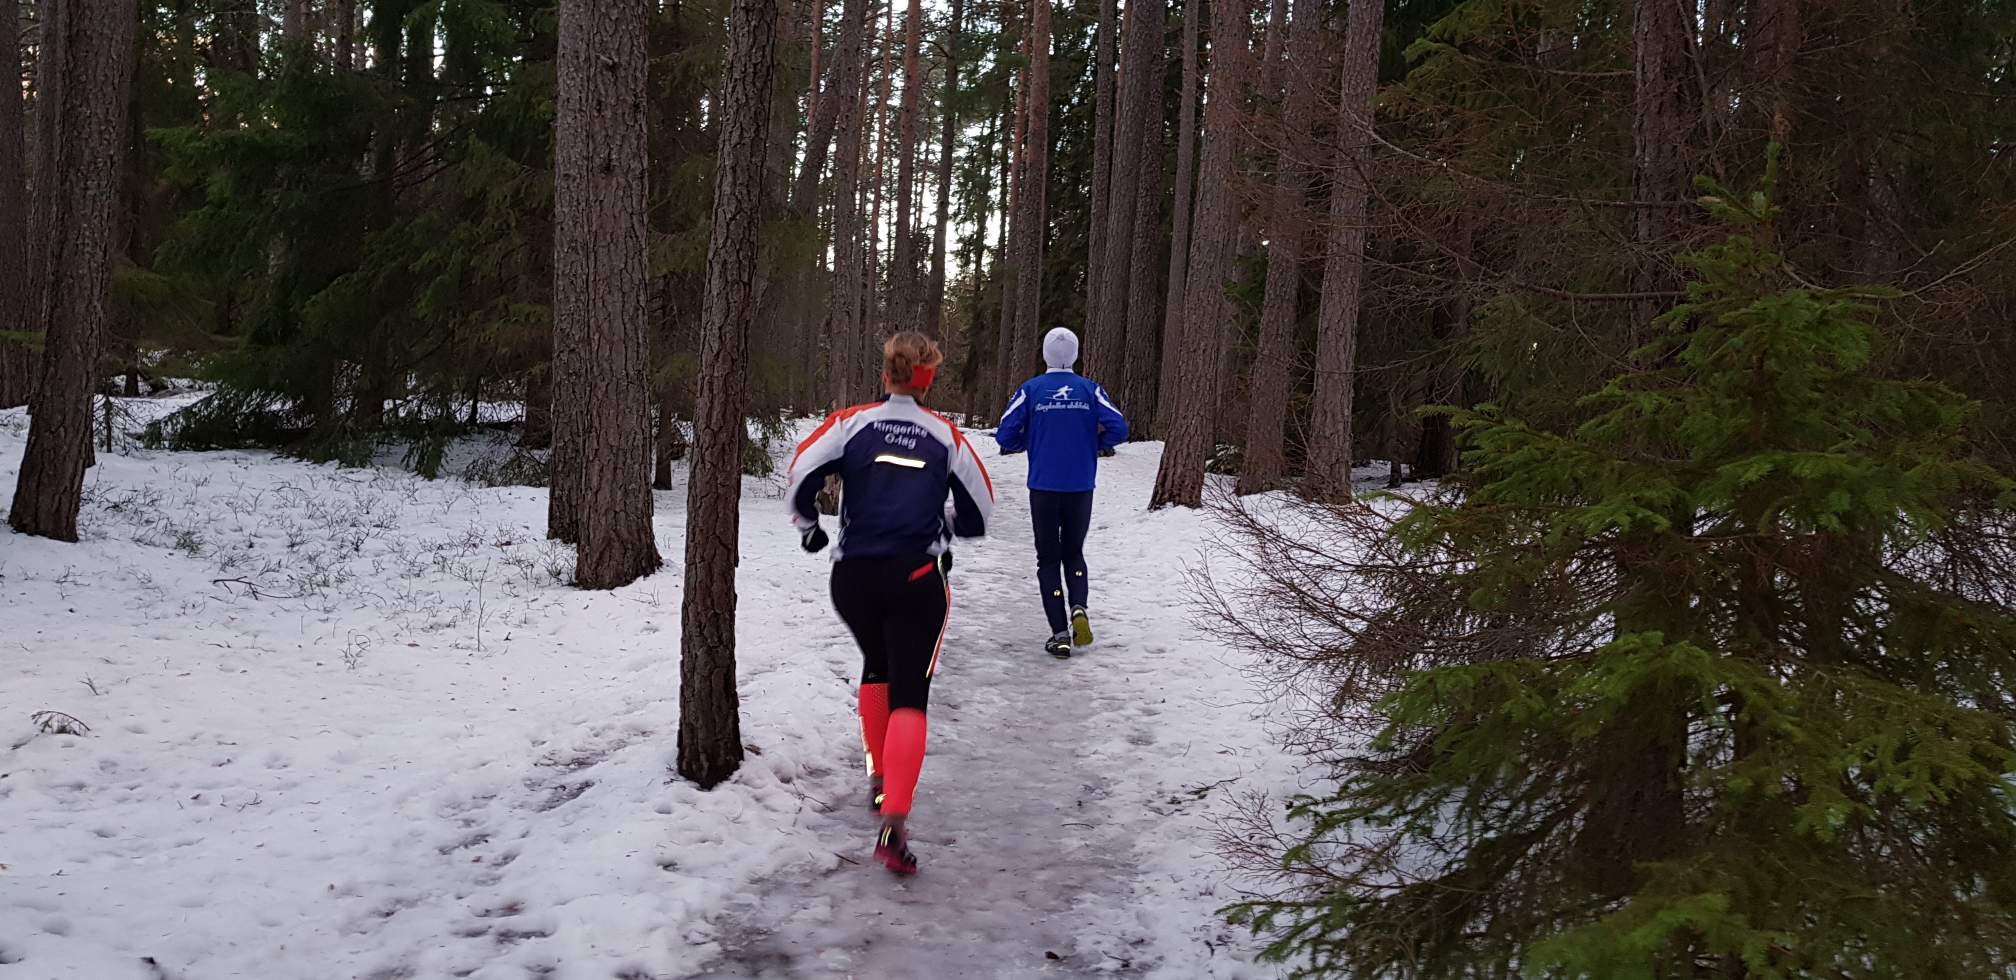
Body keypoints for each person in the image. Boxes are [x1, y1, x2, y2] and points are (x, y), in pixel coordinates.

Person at [784, 331, 994, 875]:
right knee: (910, 693)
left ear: (886, 374)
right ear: (928, 378)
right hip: (917, 577)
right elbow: (980, 514)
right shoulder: (946, 436)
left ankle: (879, 779)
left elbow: (799, 475)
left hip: (852, 579)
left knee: (876, 665)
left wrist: (810, 527)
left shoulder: (849, 423)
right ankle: (894, 822)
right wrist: (946, 523)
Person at [994, 327, 1128, 659]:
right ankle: (1079, 608)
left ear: (1045, 355)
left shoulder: (1031, 390)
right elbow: (1120, 428)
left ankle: (1059, 633)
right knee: (1074, 553)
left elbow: (1005, 434)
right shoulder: (1090, 390)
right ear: (1075, 354)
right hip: (1080, 486)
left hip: (1043, 486)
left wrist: (1029, 443)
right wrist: (1095, 445)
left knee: (1048, 559)